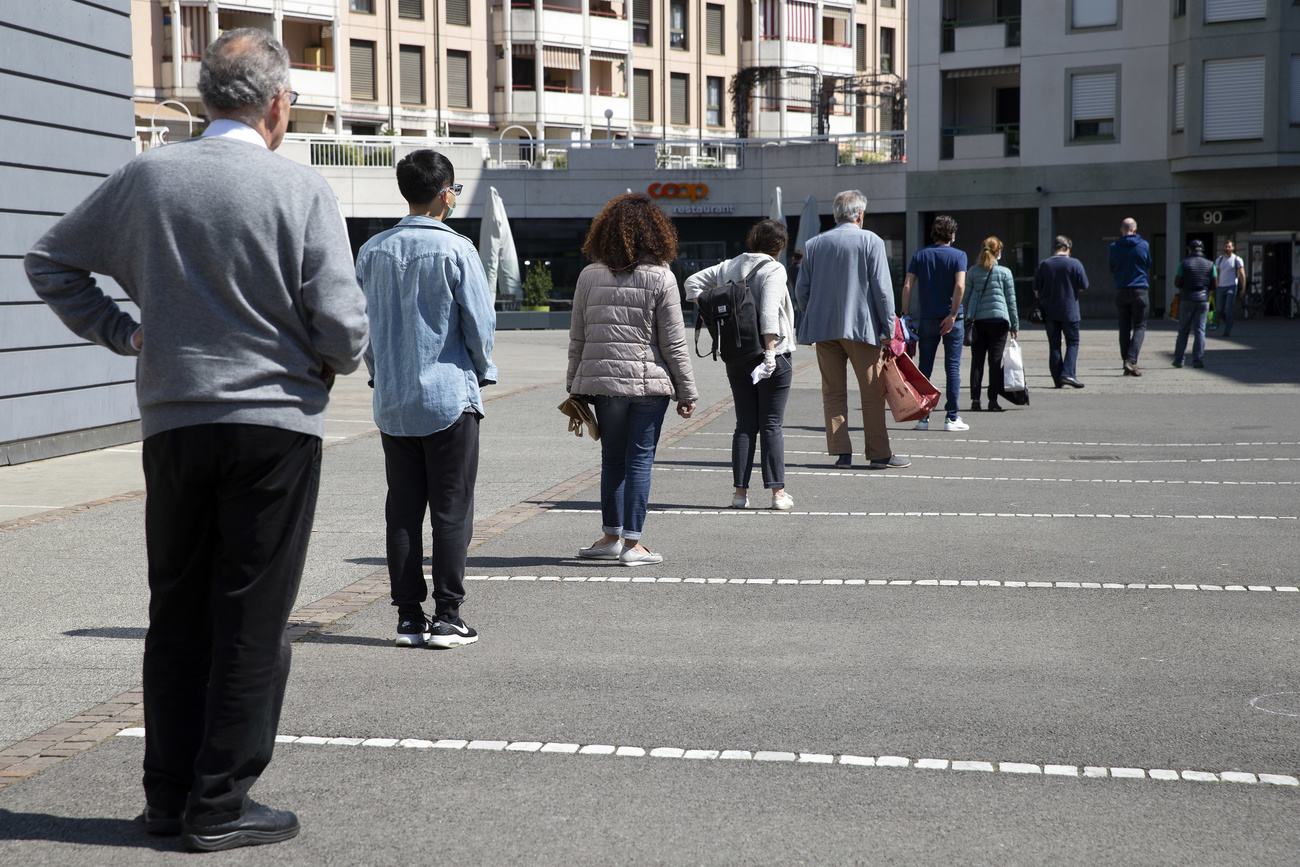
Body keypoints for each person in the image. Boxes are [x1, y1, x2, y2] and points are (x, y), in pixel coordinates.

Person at [25, 29, 368, 851]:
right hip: (274, 426)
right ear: (278, 104)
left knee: (176, 611)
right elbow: (345, 328)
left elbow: (50, 260)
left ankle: (168, 794)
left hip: (175, 421)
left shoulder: (148, 177)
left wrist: (126, 331)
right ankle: (221, 801)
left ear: (203, 94)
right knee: (251, 615)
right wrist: (323, 358)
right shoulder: (299, 188)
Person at [355, 150, 497, 649]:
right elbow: (479, 325)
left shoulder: (371, 251)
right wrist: (482, 370)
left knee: (403, 509)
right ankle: (449, 615)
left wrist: (381, 374)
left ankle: (409, 617)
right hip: (448, 397)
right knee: (452, 507)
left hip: (393, 401)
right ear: (446, 194)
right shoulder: (457, 250)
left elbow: (363, 330)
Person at [568, 193, 698, 566]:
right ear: (657, 233)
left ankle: (611, 536)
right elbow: (673, 343)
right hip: (648, 385)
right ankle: (632, 544)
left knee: (612, 458)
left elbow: (578, 336)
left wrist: (573, 385)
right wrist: (687, 391)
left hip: (604, 385)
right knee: (640, 460)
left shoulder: (588, 275)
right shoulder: (661, 277)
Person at [686, 219, 796, 510]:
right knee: (771, 424)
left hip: (736, 354)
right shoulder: (774, 269)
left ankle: (739, 494)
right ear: (779, 246)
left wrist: (711, 313)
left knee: (745, 425)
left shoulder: (729, 266)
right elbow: (770, 314)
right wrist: (771, 354)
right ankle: (777, 494)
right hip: (772, 355)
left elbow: (691, 283)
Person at [795, 189, 906, 470]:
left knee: (833, 392)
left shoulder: (813, 244)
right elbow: (883, 290)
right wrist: (888, 328)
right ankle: (879, 453)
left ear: (836, 214)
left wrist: (814, 312)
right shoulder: (870, 241)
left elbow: (801, 291)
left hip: (824, 329)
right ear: (860, 214)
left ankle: (841, 452)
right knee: (871, 392)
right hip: (862, 328)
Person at [902, 215, 968, 432]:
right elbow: (959, 287)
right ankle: (951, 417)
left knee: (924, 369)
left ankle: (923, 417)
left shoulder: (920, 255)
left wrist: (905, 313)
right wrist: (952, 314)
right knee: (952, 368)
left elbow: (908, 285)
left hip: (927, 318)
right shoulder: (959, 255)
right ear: (952, 234)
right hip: (952, 319)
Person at [964, 236, 1019, 411]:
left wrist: (967, 317)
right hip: (999, 322)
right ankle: (993, 401)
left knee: (977, 361)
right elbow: (1011, 301)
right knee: (995, 362)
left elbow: (966, 298)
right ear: (998, 252)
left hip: (978, 322)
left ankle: (975, 401)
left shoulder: (973, 271)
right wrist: (1014, 326)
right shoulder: (1005, 273)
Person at [1033, 236, 1089, 389]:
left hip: (1049, 311)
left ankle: (1058, 379)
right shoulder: (1075, 263)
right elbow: (1083, 285)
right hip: (1070, 310)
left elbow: (1036, 290)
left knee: (1054, 345)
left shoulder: (1044, 264)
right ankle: (1068, 374)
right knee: (1073, 342)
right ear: (1068, 248)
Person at [1108, 217, 1152, 377]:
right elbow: (1148, 264)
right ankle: (1131, 361)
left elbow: (1111, 268)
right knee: (1140, 326)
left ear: (1121, 230)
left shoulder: (1113, 247)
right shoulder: (1144, 245)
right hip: (1139, 290)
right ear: (1135, 229)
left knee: (1124, 328)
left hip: (1121, 290)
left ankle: (1126, 361)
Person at [1173, 239, 1216, 369]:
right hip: (1203, 300)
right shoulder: (1210, 264)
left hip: (1187, 299)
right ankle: (1197, 360)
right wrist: (1206, 290)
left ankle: (1179, 360)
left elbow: (1177, 282)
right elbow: (1214, 284)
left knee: (1183, 330)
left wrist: (1185, 286)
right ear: (1202, 250)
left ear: (1190, 250)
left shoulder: (1184, 264)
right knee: (1200, 331)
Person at [1213, 240, 1245, 338]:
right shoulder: (1219, 260)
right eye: (1226, 247)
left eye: (1229, 247)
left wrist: (1243, 288)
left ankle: (1227, 330)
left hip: (1231, 286)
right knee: (1219, 309)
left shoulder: (1237, 259)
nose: (1227, 248)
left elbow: (1242, 275)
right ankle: (1229, 321)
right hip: (1221, 287)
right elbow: (1216, 273)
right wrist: (1215, 284)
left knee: (1228, 307)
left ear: (1233, 248)